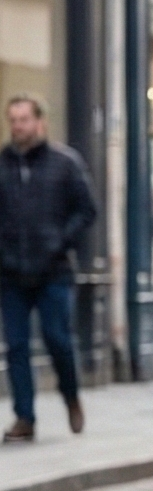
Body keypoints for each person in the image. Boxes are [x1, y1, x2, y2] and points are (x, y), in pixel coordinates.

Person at [0, 94, 97, 443]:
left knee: (58, 340)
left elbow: (87, 210)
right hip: (11, 272)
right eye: (13, 120)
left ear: (39, 122)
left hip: (53, 270)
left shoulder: (64, 163)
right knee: (16, 346)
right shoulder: (3, 165)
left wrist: (61, 239)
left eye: (23, 119)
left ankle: (71, 396)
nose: (17, 126)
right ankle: (24, 417)